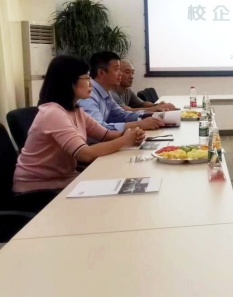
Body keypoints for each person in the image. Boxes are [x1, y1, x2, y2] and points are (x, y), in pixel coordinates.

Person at [12, 56, 145, 209]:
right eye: (87, 78)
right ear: (69, 82)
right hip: (37, 191)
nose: (91, 84)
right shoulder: (53, 113)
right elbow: (85, 154)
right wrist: (125, 140)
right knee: (113, 201)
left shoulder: (75, 110)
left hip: (65, 180)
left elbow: (105, 135)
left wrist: (132, 135)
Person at [78, 52, 164, 132]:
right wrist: (138, 124)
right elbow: (97, 129)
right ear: (101, 72)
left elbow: (122, 115)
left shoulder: (106, 92)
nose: (120, 74)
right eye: (116, 69)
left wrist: (149, 115)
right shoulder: (88, 95)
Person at [111, 60, 176, 112]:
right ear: (118, 73)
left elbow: (142, 104)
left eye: (132, 73)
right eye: (127, 72)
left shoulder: (127, 90)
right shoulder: (111, 92)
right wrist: (157, 108)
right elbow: (127, 111)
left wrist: (156, 105)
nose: (131, 76)